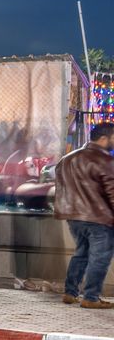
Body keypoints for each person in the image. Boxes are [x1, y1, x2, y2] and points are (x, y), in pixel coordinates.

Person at [54, 122, 114, 307]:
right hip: (98, 217)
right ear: (104, 138)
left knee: (82, 253)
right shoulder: (104, 160)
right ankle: (91, 298)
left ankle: (70, 293)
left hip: (74, 217)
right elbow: (112, 191)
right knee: (100, 258)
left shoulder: (67, 159)